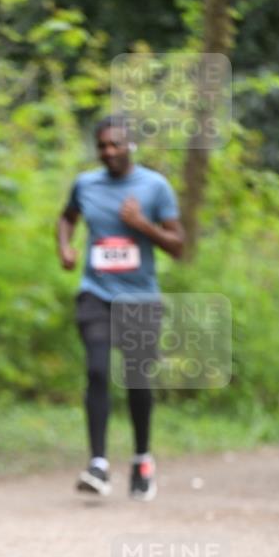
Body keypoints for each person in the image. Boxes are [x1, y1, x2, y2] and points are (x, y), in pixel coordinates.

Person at [56, 115, 184, 500]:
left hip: (140, 298)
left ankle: (142, 459)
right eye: (103, 145)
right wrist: (65, 246)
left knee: (137, 382)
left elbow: (178, 245)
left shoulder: (155, 186)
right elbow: (67, 218)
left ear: (131, 146)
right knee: (97, 370)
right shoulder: (86, 184)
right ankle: (98, 464)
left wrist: (141, 224)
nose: (109, 151)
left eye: (116, 144)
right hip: (95, 292)